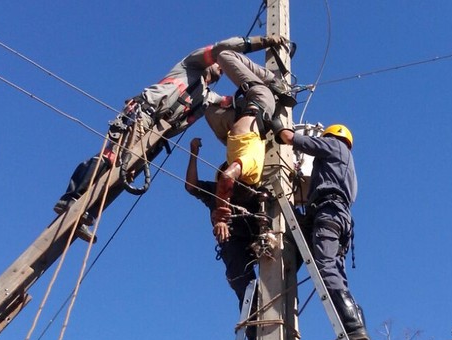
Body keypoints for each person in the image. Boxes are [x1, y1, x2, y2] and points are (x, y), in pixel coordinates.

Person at [54, 35, 283, 243]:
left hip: (156, 137)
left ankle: (85, 215)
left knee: (122, 176)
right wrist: (263, 41)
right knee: (113, 157)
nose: (221, 71)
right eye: (219, 68)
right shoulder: (190, 65)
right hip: (146, 114)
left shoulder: (205, 97)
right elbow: (222, 49)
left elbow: (235, 104)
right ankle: (72, 198)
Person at [273, 123, 375, 340]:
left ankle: (353, 327)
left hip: (328, 213)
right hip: (338, 218)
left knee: (326, 267)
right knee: (337, 275)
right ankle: (355, 335)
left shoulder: (334, 146)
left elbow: (290, 138)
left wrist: (276, 127)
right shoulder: (346, 165)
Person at [208, 49, 294, 243]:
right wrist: (222, 215)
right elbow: (227, 178)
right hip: (260, 100)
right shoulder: (251, 169)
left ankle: (232, 103)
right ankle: (273, 80)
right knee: (224, 56)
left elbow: (226, 178)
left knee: (207, 108)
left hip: (239, 114)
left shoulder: (241, 166)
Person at [184, 137, 260, 306]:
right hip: (232, 242)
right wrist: (193, 153)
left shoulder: (247, 192)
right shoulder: (213, 190)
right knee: (247, 290)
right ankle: (254, 328)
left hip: (255, 239)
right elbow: (191, 186)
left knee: (269, 284)